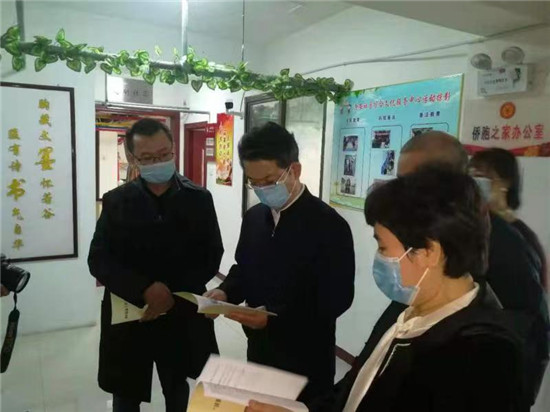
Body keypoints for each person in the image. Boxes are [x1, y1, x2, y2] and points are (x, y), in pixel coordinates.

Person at [248, 168, 526, 412]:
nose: (379, 258)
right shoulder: (406, 309)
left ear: (428, 252)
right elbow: (357, 387)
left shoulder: (484, 355)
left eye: (383, 246)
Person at [205, 122, 355, 403]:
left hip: (306, 358)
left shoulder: (329, 225)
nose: (262, 189)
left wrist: (274, 317)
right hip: (259, 350)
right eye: (254, 182)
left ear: (294, 170)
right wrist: (225, 292)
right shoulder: (255, 218)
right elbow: (244, 268)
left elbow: (337, 299)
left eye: (269, 181)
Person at [88, 118, 223, 412]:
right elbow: (99, 259)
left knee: (176, 385)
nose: (157, 163)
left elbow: (211, 254)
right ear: (133, 158)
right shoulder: (116, 201)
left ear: (173, 149)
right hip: (130, 314)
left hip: (179, 311)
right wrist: (144, 289)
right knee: (126, 391)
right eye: (148, 158)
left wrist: (169, 292)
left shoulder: (198, 199)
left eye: (163, 155)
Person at [469, 148, 547, 291]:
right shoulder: (475, 226)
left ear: (506, 182)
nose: (476, 184)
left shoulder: (518, 235)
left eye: (482, 177)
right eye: (471, 177)